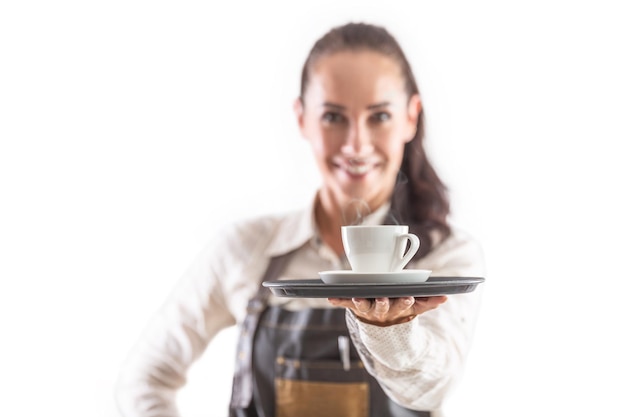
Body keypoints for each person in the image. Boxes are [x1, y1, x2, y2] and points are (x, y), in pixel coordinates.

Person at [116, 21, 486, 417]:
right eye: (333, 117)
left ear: (411, 117)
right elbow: (146, 377)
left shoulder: (447, 256)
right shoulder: (246, 249)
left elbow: (430, 388)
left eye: (379, 116)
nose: (356, 144)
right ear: (302, 118)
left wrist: (389, 330)